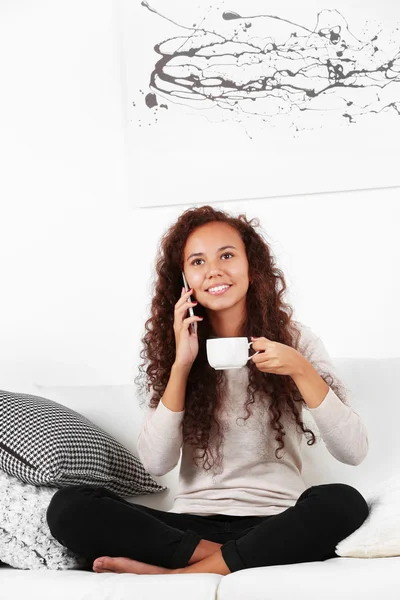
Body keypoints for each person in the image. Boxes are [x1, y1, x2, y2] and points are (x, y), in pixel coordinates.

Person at [46, 205, 369, 575]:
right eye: (197, 262)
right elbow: (156, 463)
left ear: (253, 266)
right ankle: (228, 559)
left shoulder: (296, 341)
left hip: (274, 520)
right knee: (69, 506)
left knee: (343, 502)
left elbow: (354, 451)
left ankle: (177, 576)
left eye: (227, 256)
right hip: (189, 529)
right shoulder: (173, 349)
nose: (214, 270)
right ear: (184, 279)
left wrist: (300, 368)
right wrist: (181, 366)